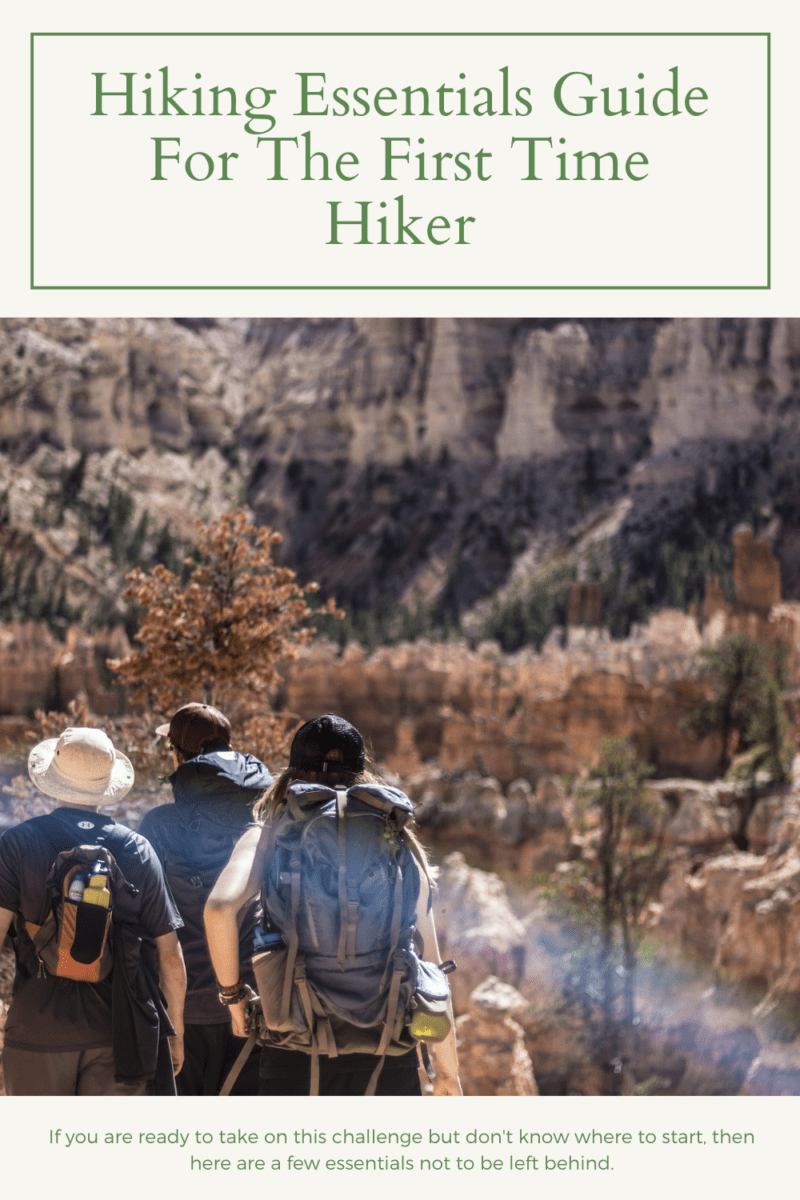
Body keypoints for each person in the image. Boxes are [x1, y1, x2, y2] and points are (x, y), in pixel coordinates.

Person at [205, 713, 462, 1097]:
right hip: (388, 1048)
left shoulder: (268, 833)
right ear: (362, 775)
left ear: (292, 775)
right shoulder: (396, 840)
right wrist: (446, 1072)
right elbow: (429, 966)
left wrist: (234, 998)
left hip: (294, 1047)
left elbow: (220, 908)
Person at [0, 726, 186, 1096]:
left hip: (36, 1028)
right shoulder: (137, 849)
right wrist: (175, 1033)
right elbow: (169, 956)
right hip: (117, 1035)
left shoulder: (19, 842)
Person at [139, 702, 273, 1095]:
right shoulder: (261, 824)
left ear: (179, 757)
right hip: (252, 1006)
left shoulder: (157, 825)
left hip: (180, 1011)